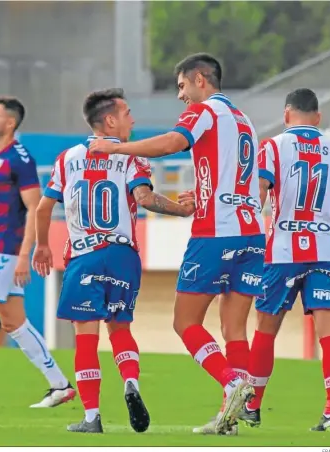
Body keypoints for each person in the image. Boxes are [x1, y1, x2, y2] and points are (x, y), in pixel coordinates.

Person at [88, 53, 265, 434]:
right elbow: (238, 178)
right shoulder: (244, 119)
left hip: (215, 234)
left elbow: (172, 142)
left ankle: (233, 383)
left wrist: (116, 148)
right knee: (235, 330)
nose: (181, 95)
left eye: (182, 86)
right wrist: (204, 193)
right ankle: (229, 419)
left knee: (184, 322)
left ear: (201, 79)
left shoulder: (205, 111)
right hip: (251, 232)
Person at [32, 88, 195, 434]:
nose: (132, 119)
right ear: (109, 120)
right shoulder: (132, 157)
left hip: (84, 254)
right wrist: (181, 210)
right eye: (127, 113)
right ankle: (131, 381)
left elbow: (45, 207)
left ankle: (92, 417)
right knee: (121, 328)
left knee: (85, 337)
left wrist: (42, 246)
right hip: (122, 254)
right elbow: (145, 197)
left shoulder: (65, 159)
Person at [240, 88, 330, 432]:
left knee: (265, 331)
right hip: (324, 251)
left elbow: (259, 194)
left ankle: (254, 407)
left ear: (287, 113)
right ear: (318, 118)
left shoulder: (273, 147)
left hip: (282, 253)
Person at [0, 96, 76, 408]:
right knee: (14, 322)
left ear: (11, 123)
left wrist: (23, 256)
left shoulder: (21, 160)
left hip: (5, 250)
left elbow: (33, 209)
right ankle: (60, 385)